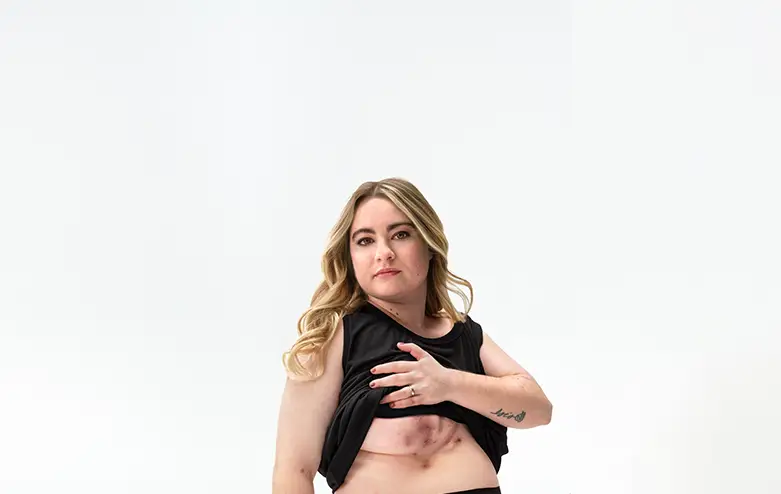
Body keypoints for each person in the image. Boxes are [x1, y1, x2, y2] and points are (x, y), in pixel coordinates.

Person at [272, 178, 553, 494]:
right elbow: (293, 471)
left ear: (430, 246)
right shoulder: (331, 337)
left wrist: (448, 384)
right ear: (349, 257)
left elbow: (539, 410)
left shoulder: (462, 334)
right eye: (365, 241)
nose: (385, 253)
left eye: (401, 235)